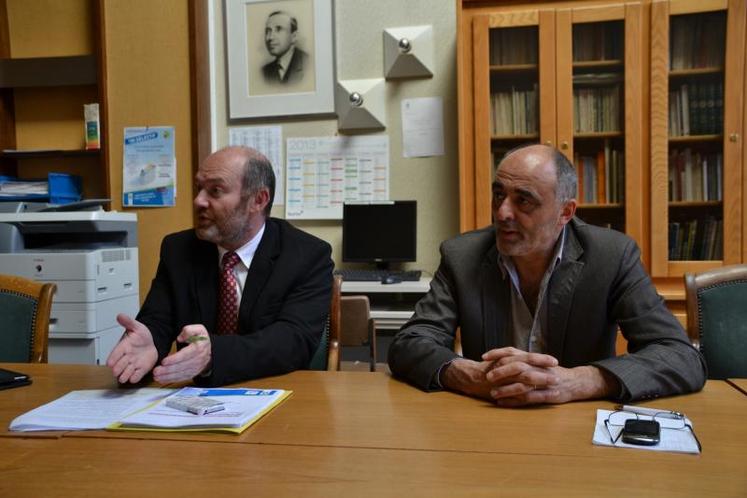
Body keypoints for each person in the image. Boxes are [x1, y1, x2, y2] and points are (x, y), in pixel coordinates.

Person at [388, 144, 706, 406]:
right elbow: (410, 343)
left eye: (523, 200)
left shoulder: (611, 256)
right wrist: (473, 376)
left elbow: (679, 356)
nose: (502, 213)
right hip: (489, 423)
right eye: (499, 195)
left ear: (565, 212)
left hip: (578, 429)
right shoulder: (462, 256)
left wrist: (577, 381)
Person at [107, 146, 333, 386]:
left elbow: (293, 340)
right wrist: (149, 342)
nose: (198, 201)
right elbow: (159, 319)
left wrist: (213, 354)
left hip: (278, 391)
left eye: (215, 191)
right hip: (193, 400)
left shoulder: (306, 255)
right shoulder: (178, 250)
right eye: (198, 189)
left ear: (258, 200)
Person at [261, 10, 309, 85]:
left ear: (294, 36)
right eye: (268, 31)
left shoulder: (309, 64)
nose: (270, 37)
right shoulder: (264, 72)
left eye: (278, 29)